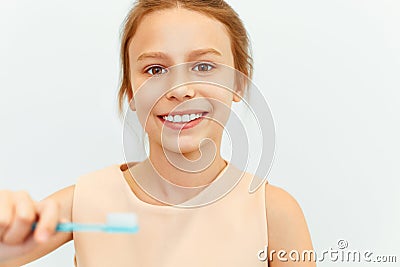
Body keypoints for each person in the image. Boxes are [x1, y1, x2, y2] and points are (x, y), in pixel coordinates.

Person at [0, 1, 315, 266]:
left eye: (204, 66)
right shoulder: (82, 202)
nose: (180, 89)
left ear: (238, 85)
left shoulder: (273, 212)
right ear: (131, 93)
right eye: (155, 70)